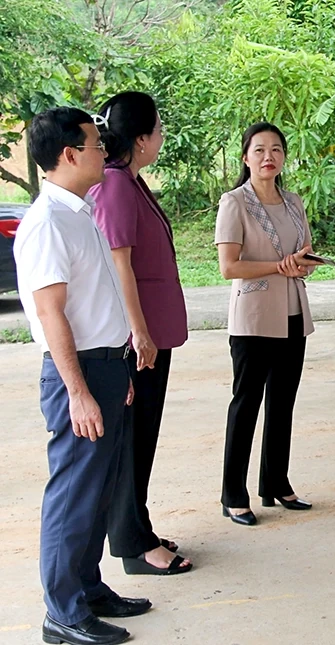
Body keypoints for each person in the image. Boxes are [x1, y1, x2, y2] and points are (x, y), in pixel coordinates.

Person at [14, 106, 150, 645]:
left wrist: (119, 365)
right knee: (74, 494)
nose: (103, 151)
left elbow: (99, 299)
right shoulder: (47, 221)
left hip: (107, 367)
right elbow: (52, 315)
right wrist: (80, 392)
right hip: (81, 374)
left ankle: (89, 589)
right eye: (95, 144)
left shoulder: (79, 210)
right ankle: (63, 612)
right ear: (69, 154)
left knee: (99, 488)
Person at [89, 91, 193, 577]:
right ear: (140, 138)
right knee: (132, 440)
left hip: (152, 333)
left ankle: (138, 526)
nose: (162, 135)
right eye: (158, 127)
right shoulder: (114, 186)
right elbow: (119, 264)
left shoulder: (131, 181)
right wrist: (139, 333)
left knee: (143, 436)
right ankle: (133, 545)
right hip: (139, 339)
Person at [214, 122, 322, 526]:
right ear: (246, 157)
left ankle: (276, 482)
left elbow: (304, 256)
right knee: (246, 405)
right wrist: (281, 266)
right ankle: (233, 494)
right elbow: (229, 267)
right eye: (259, 150)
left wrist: (304, 263)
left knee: (283, 403)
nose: (268, 157)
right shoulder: (234, 202)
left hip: (293, 314)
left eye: (276, 149)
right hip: (253, 319)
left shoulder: (293, 201)